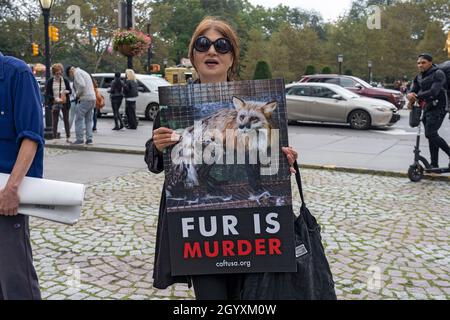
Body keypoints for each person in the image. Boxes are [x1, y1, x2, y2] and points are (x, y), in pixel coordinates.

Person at [144, 17, 299, 300]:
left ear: (232, 57)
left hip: (252, 232)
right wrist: (157, 146)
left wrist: (284, 157)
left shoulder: (251, 106)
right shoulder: (169, 103)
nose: (211, 51)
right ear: (193, 55)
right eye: (203, 45)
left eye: (221, 45)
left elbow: (266, 160)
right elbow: (156, 166)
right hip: (201, 237)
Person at [0, 51, 43, 300]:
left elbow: (31, 136)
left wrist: (12, 189)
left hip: (6, 196)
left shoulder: (18, 73)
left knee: (15, 279)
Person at [407, 53, 450, 169]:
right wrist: (409, 96)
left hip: (440, 106)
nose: (420, 65)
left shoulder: (438, 74)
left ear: (430, 63)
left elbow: (434, 91)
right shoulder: (419, 77)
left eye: (423, 63)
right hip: (427, 107)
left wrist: (416, 96)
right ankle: (434, 163)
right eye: (418, 63)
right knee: (431, 135)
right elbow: (413, 90)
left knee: (430, 133)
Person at [66, 65, 96, 145]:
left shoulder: (77, 73)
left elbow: (82, 85)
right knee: (89, 120)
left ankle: (79, 139)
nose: (72, 77)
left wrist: (77, 95)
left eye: (70, 75)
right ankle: (89, 139)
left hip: (85, 98)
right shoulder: (84, 72)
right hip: (92, 98)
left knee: (78, 119)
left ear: (70, 71)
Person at [44, 63, 72, 142]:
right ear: (54, 72)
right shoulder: (50, 81)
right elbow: (47, 93)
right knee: (55, 120)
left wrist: (66, 91)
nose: (59, 74)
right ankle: (55, 137)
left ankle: (68, 136)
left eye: (60, 72)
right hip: (55, 102)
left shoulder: (65, 80)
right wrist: (54, 98)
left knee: (66, 119)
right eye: (57, 72)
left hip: (64, 102)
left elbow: (70, 91)